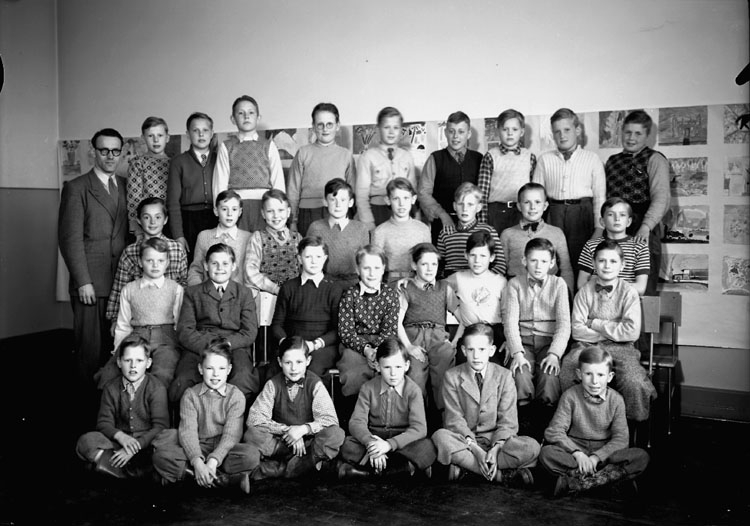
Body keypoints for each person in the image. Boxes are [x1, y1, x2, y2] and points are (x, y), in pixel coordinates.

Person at [58, 128, 129, 385]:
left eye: (115, 151)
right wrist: (82, 281)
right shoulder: (77, 188)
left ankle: (109, 403)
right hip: (91, 282)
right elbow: (70, 239)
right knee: (89, 350)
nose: (110, 156)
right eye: (104, 150)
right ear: (93, 152)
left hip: (120, 281)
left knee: (116, 348)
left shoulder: (125, 185)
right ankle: (85, 402)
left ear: (121, 153)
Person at [559, 240, 656, 423]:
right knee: (569, 367)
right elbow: (577, 330)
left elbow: (631, 332)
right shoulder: (584, 292)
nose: (607, 266)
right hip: (587, 345)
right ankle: (579, 419)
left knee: (633, 380)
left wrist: (594, 323)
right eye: (602, 261)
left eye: (613, 261)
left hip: (622, 347)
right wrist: (613, 329)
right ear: (594, 264)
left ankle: (630, 425)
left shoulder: (629, 292)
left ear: (622, 265)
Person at [432, 323, 540, 485]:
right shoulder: (451, 376)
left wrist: (495, 450)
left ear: (492, 350)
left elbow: (508, 422)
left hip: (497, 442)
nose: (476, 356)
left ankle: (468, 470)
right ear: (464, 351)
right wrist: (477, 451)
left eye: (482, 349)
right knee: (440, 437)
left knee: (532, 447)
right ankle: (498, 476)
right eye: (471, 350)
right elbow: (454, 420)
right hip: (466, 441)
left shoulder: (504, 376)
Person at [540, 346, 650, 497]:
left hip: (605, 454)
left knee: (641, 456)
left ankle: (578, 482)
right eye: (588, 374)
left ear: (610, 377)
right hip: (576, 452)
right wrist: (577, 453)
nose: (594, 381)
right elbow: (554, 431)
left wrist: (596, 457)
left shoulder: (616, 400)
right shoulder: (570, 396)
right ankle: (606, 480)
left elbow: (621, 439)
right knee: (546, 453)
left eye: (600, 375)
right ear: (579, 374)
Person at [153, 341, 257, 493]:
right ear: (201, 369)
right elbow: (188, 432)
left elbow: (231, 436)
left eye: (221, 368)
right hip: (197, 444)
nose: (215, 374)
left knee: (251, 455)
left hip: (224, 448)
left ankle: (189, 477)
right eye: (209, 368)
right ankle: (223, 480)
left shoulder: (236, 396)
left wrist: (213, 461)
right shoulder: (190, 395)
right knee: (161, 456)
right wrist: (197, 462)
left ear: (229, 370)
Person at [169, 243, 260, 405]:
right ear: (206, 265)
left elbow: (249, 332)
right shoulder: (193, 293)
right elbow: (185, 331)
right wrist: (208, 345)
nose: (220, 268)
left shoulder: (244, 293)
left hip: (234, 346)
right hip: (200, 345)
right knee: (184, 378)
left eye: (225, 263)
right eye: (214, 263)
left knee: (243, 377)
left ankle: (233, 416)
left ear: (233, 266)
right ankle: (194, 415)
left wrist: (227, 343)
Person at [244, 336, 345, 480]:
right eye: (288, 362)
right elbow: (255, 419)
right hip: (282, 442)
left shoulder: (315, 384)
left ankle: (283, 468)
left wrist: (303, 429)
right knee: (252, 435)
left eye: (299, 362)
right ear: (280, 362)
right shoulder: (273, 384)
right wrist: (288, 431)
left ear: (308, 361)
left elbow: (330, 420)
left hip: (310, 441)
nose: (294, 368)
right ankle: (303, 464)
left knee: (336, 434)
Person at [339, 338, 437, 479]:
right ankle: (400, 470)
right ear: (378, 366)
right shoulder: (368, 388)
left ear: (406, 366)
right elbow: (356, 422)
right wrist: (371, 444)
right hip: (374, 439)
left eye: (398, 367)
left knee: (427, 447)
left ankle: (368, 473)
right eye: (387, 367)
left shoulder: (413, 391)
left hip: (402, 442)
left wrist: (388, 445)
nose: (393, 373)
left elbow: (419, 429)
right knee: (347, 445)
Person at [503, 238, 571, 437]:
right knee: (520, 373)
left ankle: (544, 427)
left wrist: (554, 354)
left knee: (549, 376)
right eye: (533, 260)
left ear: (552, 263)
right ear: (524, 261)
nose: (538, 266)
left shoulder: (559, 284)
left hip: (548, 343)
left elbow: (564, 324)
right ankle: (524, 425)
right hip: (523, 343)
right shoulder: (514, 284)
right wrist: (517, 353)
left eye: (543, 261)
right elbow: (510, 323)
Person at [76, 334, 169, 479]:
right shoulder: (111, 388)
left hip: (146, 444)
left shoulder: (156, 388)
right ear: (119, 362)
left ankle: (110, 467)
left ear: (148, 363)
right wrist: (121, 438)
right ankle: (125, 471)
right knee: (86, 441)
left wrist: (135, 447)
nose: (133, 366)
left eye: (139, 360)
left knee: (167, 445)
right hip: (119, 443)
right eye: (127, 360)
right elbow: (103, 423)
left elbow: (160, 426)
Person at [96, 237, 184, 389]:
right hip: (137, 335)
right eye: (149, 260)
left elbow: (179, 323)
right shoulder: (129, 289)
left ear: (167, 263)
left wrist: (178, 347)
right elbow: (123, 325)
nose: (155, 265)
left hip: (166, 339)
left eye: (160, 261)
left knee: (163, 374)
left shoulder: (175, 289)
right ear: (140, 262)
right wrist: (118, 351)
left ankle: (152, 402)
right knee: (109, 374)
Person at [604, 110, 670, 295]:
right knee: (612, 281)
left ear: (647, 135)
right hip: (615, 228)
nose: (631, 138)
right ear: (621, 132)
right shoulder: (612, 161)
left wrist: (646, 226)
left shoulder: (655, 159)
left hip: (643, 227)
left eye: (638, 133)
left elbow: (661, 197)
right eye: (628, 132)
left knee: (643, 287)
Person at [533, 108, 606, 270]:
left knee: (581, 262)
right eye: (557, 131)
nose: (562, 135)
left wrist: (599, 229)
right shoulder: (544, 160)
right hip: (553, 214)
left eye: (567, 130)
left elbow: (600, 198)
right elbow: (536, 196)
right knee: (552, 261)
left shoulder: (592, 159)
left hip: (582, 214)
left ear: (577, 130)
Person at [105, 197, 188, 325]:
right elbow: (119, 287)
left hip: (170, 318)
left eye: (158, 217)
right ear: (139, 220)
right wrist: (115, 319)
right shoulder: (130, 251)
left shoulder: (177, 249)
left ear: (165, 220)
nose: (153, 222)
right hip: (140, 318)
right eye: (146, 217)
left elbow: (184, 284)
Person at [270, 236, 344, 377]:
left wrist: (314, 344)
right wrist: (288, 345)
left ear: (325, 259)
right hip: (292, 344)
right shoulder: (288, 287)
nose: (313, 261)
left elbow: (338, 330)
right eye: (308, 257)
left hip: (321, 347)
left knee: (310, 370)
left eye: (318, 257)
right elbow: (277, 325)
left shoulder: (334, 288)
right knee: (275, 371)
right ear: (299, 259)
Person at [213, 95, 284, 232]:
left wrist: (279, 208)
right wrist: (221, 209)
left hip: (265, 205)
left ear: (258, 117)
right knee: (238, 242)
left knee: (263, 241)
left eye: (251, 112)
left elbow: (278, 180)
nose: (246, 116)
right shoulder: (226, 146)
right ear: (233, 119)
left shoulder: (268, 145)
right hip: (236, 206)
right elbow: (220, 182)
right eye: (241, 113)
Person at [335, 245, 400, 397]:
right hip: (355, 344)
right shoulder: (349, 295)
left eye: (376, 268)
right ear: (358, 270)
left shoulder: (390, 295)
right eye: (366, 268)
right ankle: (355, 407)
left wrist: (376, 350)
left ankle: (382, 408)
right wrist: (366, 349)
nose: (372, 273)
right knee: (353, 370)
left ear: (383, 269)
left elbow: (390, 330)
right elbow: (346, 332)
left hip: (383, 342)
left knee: (388, 366)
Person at [396, 243, 455, 410]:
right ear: (414, 265)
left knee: (444, 372)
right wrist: (409, 346)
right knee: (414, 374)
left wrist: (455, 341)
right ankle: (418, 417)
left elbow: (464, 317)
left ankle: (445, 417)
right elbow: (396, 322)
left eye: (434, 264)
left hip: (438, 337)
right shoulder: (406, 287)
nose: (430, 269)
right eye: (424, 264)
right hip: (412, 337)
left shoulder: (445, 288)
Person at [288, 103, 356, 236]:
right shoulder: (303, 153)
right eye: (320, 125)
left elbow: (352, 190)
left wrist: (352, 216)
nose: (325, 129)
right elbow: (293, 190)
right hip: (308, 213)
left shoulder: (346, 155)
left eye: (329, 124)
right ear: (313, 127)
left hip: (338, 212)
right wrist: (293, 220)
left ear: (337, 126)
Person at [418, 111, 482, 244]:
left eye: (461, 132)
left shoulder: (479, 159)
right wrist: (442, 215)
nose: (455, 136)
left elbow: (483, 193)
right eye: (451, 131)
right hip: (442, 225)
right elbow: (423, 193)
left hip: (473, 225)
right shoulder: (435, 158)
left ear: (468, 134)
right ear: (445, 133)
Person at [500, 182, 574, 292]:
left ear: (545, 206)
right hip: (517, 292)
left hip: (549, 292)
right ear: (519, 206)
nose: (532, 207)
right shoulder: (507, 234)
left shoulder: (557, 233)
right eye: (527, 202)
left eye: (537, 202)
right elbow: (501, 270)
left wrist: (567, 295)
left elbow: (566, 269)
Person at [444, 231, 507, 355]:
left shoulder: (501, 281)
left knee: (495, 362)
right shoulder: (458, 278)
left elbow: (507, 314)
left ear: (492, 257)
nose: (477, 260)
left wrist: (507, 340)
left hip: (494, 332)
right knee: (462, 360)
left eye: (483, 256)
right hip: (469, 332)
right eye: (473, 255)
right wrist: (409, 281)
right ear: (466, 255)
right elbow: (435, 287)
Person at [355, 106, 417, 230]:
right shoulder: (367, 157)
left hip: (403, 211)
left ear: (401, 130)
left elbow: (413, 191)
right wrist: (368, 222)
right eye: (386, 127)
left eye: (396, 127)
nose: (391, 132)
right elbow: (361, 195)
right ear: (378, 129)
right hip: (377, 211)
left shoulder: (407, 157)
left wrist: (415, 218)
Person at [167, 112, 218, 260]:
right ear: (188, 134)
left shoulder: (220, 159)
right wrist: (178, 235)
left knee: (215, 262)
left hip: (215, 218)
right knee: (192, 263)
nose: (201, 134)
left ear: (212, 133)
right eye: (196, 130)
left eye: (205, 130)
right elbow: (173, 202)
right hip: (189, 220)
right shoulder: (178, 162)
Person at [477, 109, 537, 235]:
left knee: (520, 244)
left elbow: (534, 190)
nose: (510, 133)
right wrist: (482, 223)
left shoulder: (529, 157)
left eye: (514, 129)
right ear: (498, 131)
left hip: (522, 211)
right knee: (496, 245)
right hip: (496, 212)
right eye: (505, 129)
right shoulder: (490, 156)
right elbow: (482, 193)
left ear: (522, 132)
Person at [577, 197, 650, 296]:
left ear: (629, 221)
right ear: (602, 221)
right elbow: (581, 284)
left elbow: (640, 288)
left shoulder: (639, 247)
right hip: (595, 299)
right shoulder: (591, 245)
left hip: (627, 300)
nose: (617, 219)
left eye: (622, 215)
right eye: (611, 214)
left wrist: (604, 286)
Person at [306, 178, 370, 288]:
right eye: (333, 200)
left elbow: (366, 262)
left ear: (351, 202)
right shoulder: (316, 227)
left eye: (343, 200)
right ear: (325, 201)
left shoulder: (361, 228)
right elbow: (307, 260)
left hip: (353, 285)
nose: (338, 205)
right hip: (323, 284)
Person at [437, 182, 506, 277]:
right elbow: (438, 265)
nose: (465, 209)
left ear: (478, 207)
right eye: (460, 204)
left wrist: (485, 279)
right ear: (454, 206)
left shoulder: (488, 231)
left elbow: (500, 265)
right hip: (451, 279)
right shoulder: (445, 233)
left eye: (470, 204)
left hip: (480, 279)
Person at [372, 178, 431, 283]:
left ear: (413, 199)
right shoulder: (380, 231)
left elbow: (428, 262)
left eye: (406, 198)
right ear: (388, 200)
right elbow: (375, 266)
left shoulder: (423, 229)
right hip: (390, 283)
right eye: (396, 199)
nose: (401, 204)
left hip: (418, 282)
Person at [187, 190, 251, 287]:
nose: (229, 214)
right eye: (224, 209)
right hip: (208, 293)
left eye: (234, 209)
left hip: (238, 293)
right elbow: (196, 270)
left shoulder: (248, 238)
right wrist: (198, 291)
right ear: (216, 211)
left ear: (240, 212)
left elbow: (251, 273)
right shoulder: (204, 236)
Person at [245, 189, 301, 296]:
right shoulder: (257, 238)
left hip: (293, 295)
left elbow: (304, 269)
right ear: (263, 213)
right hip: (266, 295)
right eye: (270, 211)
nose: (276, 216)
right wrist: (275, 289)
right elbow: (250, 272)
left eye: (281, 210)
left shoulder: (297, 238)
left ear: (288, 212)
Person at [127, 116, 171, 236]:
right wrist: (136, 229)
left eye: (160, 135)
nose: (156, 140)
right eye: (151, 136)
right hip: (146, 224)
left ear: (167, 138)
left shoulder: (174, 163)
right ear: (143, 138)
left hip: (170, 222)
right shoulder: (138, 163)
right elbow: (134, 198)